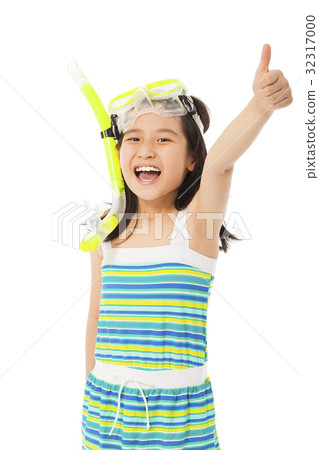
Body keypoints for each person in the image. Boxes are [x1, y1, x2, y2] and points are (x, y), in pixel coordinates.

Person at [81, 43, 293, 449]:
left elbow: (223, 163)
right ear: (117, 151)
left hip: (178, 418)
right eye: (133, 138)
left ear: (192, 159)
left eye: (164, 140)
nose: (145, 150)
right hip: (104, 411)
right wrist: (90, 391)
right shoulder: (104, 230)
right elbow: (95, 318)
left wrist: (260, 105)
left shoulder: (195, 225)